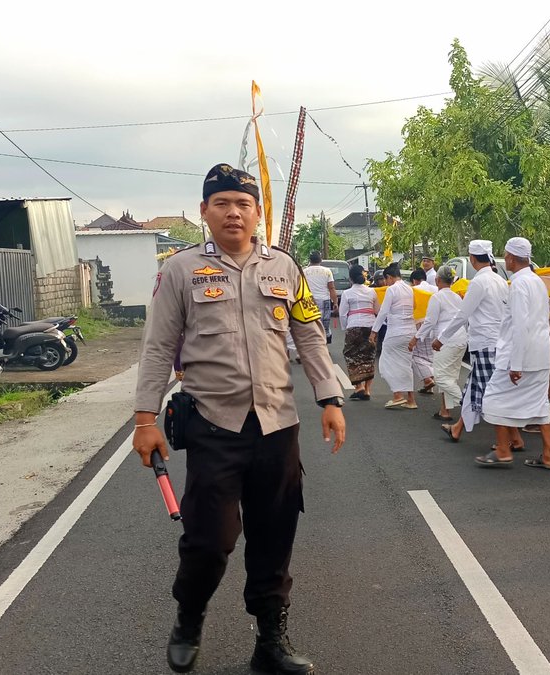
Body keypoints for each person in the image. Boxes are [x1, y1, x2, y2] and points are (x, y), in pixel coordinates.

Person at [134, 163, 345, 675]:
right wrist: (145, 419)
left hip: (277, 426)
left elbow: (310, 336)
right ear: (204, 211)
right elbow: (159, 345)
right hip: (213, 424)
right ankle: (189, 616)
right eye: (222, 203)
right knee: (210, 539)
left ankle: (270, 641)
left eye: (243, 203)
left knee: (275, 535)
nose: (234, 212)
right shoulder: (181, 270)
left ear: (258, 213)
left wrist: (330, 398)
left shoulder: (285, 268)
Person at [476, 237, 550, 470]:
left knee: (492, 398)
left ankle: (503, 450)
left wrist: (516, 364)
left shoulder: (519, 284)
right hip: (540, 355)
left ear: (511, 258)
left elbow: (520, 326)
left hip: (520, 355)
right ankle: (549, 456)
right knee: (540, 405)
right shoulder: (537, 282)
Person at [436, 240, 508, 441]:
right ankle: (457, 428)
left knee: (490, 392)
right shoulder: (500, 281)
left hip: (485, 343)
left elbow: (462, 315)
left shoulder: (479, 282)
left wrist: (441, 339)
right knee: (473, 388)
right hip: (495, 342)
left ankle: (509, 441)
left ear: (472, 258)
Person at [416, 265, 467, 421]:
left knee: (440, 377)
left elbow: (430, 322)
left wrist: (416, 338)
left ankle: (468, 405)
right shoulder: (457, 297)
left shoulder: (437, 297)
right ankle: (445, 411)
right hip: (461, 338)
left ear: (437, 280)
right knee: (450, 376)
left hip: (446, 340)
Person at [371, 263, 418, 410]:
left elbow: (383, 312)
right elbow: (415, 306)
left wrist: (374, 331)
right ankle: (411, 400)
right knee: (405, 365)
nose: (386, 282)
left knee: (385, 363)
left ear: (390, 277)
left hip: (395, 331)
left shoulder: (392, 289)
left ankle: (397, 395)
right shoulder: (410, 289)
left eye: (386, 279)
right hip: (410, 332)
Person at [339, 263, 378, 401]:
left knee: (351, 355)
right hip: (370, 326)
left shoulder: (347, 293)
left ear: (350, 278)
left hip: (354, 326)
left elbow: (343, 314)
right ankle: (367, 390)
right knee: (369, 356)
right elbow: (376, 310)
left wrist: (346, 328)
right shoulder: (372, 292)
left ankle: (359, 386)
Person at [409, 269, 437, 394]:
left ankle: (427, 379)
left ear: (414, 280)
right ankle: (430, 384)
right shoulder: (435, 289)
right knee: (430, 355)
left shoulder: (414, 290)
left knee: (416, 355)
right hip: (436, 325)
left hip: (421, 324)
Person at [303, 252, 337, 344]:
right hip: (324, 301)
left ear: (310, 261)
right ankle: (323, 347)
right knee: (324, 325)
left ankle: (311, 346)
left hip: (309, 300)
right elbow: (331, 288)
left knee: (310, 324)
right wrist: (335, 302)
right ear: (321, 260)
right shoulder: (327, 271)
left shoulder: (304, 271)